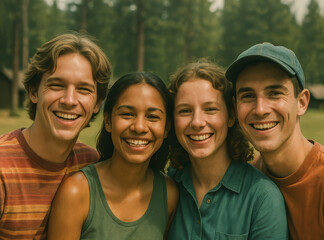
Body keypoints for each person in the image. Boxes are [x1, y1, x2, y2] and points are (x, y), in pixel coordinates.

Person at [0, 32, 111, 239]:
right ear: (33, 92)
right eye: (57, 85)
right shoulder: (3, 168)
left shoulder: (92, 165)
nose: (69, 100)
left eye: (83, 89)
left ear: (97, 104)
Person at [47, 72, 179, 239]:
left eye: (152, 117)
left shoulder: (169, 194)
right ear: (108, 121)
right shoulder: (77, 192)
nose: (139, 127)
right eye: (127, 114)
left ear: (166, 128)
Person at [166, 59, 288, 239]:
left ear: (231, 116)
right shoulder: (168, 186)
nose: (197, 122)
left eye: (210, 109)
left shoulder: (262, 198)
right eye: (185, 111)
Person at [225, 42, 324, 240]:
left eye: (274, 93)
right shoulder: (247, 181)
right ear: (235, 108)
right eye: (248, 96)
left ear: (302, 102)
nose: (260, 109)